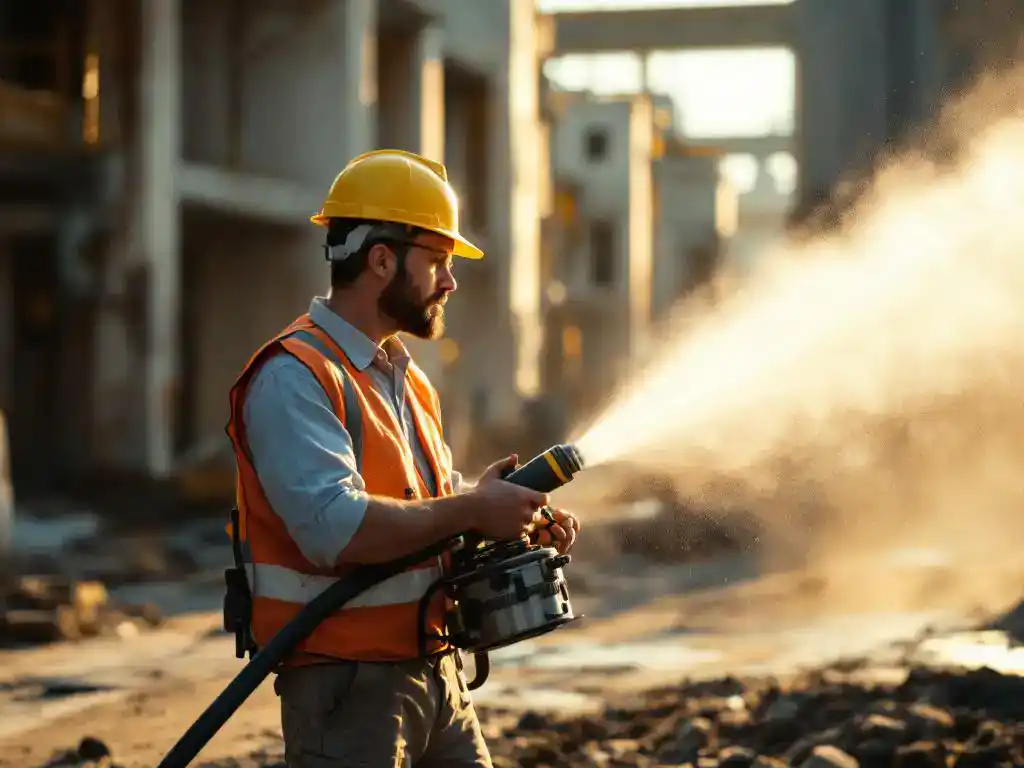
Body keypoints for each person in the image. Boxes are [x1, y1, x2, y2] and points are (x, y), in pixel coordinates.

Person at [224, 148, 580, 767]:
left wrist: (502, 517)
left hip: (434, 670)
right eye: (438, 261)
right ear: (382, 260)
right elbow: (339, 528)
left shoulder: (407, 382)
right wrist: (472, 507)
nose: (451, 280)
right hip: (348, 689)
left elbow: (424, 509)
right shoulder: (293, 377)